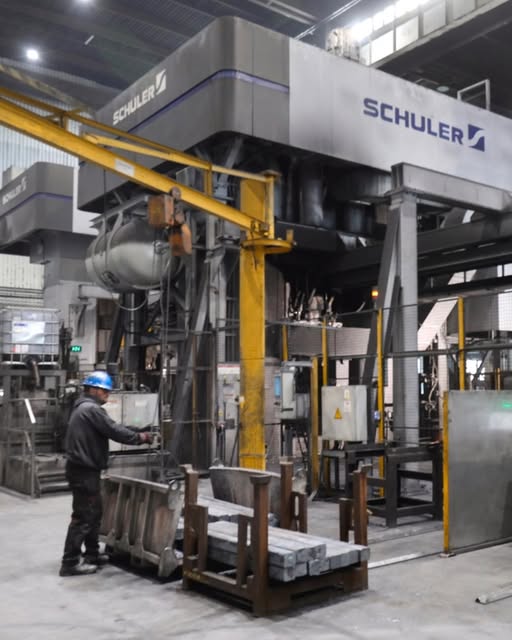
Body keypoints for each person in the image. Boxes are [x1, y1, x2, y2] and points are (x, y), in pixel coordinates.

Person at [59, 371, 153, 577]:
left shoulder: (84, 408)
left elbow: (112, 427)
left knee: (94, 513)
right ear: (93, 389)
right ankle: (70, 563)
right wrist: (142, 438)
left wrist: (139, 430)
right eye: (104, 391)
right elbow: (114, 431)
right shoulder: (91, 409)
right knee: (84, 517)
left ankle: (92, 554)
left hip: (84, 470)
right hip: (84, 472)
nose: (107, 395)